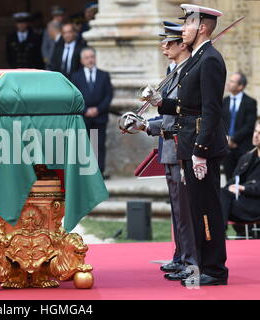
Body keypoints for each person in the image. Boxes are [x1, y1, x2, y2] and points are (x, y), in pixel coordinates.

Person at [143, 4, 229, 286]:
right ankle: (202, 264)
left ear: (202, 27)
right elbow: (187, 107)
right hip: (188, 145)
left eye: (188, 24)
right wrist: (160, 103)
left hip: (199, 148)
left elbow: (211, 111)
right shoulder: (197, 59)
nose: (183, 30)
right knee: (195, 208)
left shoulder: (210, 60)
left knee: (206, 210)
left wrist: (200, 152)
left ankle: (214, 269)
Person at [129, 22, 197, 280]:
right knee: (177, 209)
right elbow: (168, 118)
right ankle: (181, 255)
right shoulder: (173, 71)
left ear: (182, 45)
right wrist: (145, 125)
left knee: (185, 210)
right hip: (169, 147)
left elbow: (184, 116)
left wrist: (154, 115)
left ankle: (190, 261)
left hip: (181, 147)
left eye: (169, 42)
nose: (163, 46)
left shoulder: (187, 73)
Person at [71, 47, 113, 176]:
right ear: (82, 60)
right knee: (84, 145)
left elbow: (108, 95)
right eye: (87, 57)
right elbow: (74, 97)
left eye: (92, 57)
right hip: (84, 117)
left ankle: (99, 171)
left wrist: (98, 109)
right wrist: (85, 110)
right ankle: (86, 173)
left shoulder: (104, 75)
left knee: (99, 145)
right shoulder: (75, 76)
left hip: (100, 116)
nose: (90, 60)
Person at [221, 121, 260, 238]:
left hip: (255, 204)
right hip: (241, 202)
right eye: (255, 131)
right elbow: (232, 181)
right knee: (220, 194)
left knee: (220, 203)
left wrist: (243, 188)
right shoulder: (247, 157)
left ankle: (219, 233)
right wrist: (232, 188)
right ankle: (221, 233)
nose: (256, 135)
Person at [222, 72, 258, 181]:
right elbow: (220, 122)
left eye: (232, 81)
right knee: (229, 179)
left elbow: (250, 125)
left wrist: (233, 139)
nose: (229, 83)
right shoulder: (224, 101)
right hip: (226, 148)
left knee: (243, 179)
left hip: (242, 147)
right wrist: (227, 138)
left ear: (241, 86)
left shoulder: (250, 102)